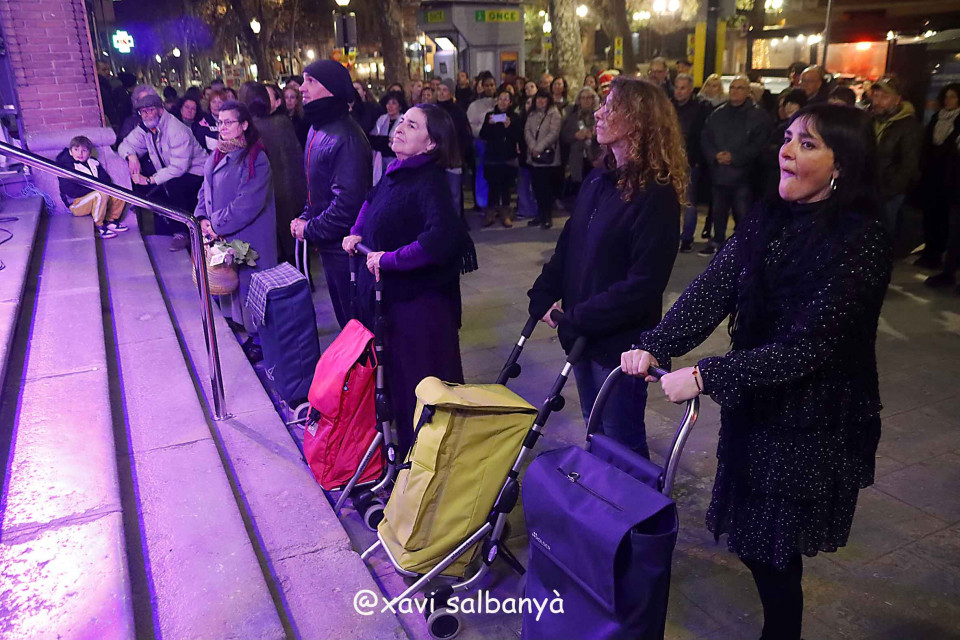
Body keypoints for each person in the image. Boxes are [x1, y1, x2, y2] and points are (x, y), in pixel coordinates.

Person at [621, 103, 893, 640]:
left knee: (771, 548)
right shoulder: (769, 216)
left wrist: (706, 375)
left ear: (842, 164)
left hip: (813, 417)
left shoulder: (862, 240)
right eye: (788, 138)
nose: (787, 151)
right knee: (754, 539)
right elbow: (712, 289)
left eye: (808, 144)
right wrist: (655, 344)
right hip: (758, 400)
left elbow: (810, 347)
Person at [529, 77, 685, 456]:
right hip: (583, 336)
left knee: (621, 443)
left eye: (609, 107)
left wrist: (579, 317)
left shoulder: (656, 194)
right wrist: (545, 291)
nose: (598, 114)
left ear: (637, 120)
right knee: (595, 432)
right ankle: (603, 492)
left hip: (618, 346)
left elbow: (644, 284)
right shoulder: (599, 178)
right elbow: (571, 243)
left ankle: (634, 497)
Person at [342, 104, 471, 456]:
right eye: (401, 121)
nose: (399, 128)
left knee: (421, 389)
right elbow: (371, 202)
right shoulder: (396, 171)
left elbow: (439, 240)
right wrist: (356, 232)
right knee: (398, 387)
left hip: (420, 311)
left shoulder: (431, 182)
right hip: (394, 304)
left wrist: (389, 259)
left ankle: (428, 462)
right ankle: (406, 460)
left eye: (412, 125)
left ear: (431, 144)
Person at [289, 60, 372, 329]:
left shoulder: (346, 137)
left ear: (332, 88)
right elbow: (316, 187)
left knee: (357, 326)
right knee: (346, 322)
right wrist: (305, 216)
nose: (302, 88)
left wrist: (310, 228)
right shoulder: (317, 127)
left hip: (345, 249)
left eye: (310, 81)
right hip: (329, 244)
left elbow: (348, 204)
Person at [195, 101, 278, 353]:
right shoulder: (219, 152)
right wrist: (202, 216)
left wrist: (216, 223)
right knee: (231, 285)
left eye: (229, 122)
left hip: (249, 236)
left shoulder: (256, 158)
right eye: (220, 122)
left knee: (252, 288)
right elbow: (205, 188)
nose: (223, 127)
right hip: (224, 234)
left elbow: (247, 203)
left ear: (243, 125)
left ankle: (261, 341)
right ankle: (244, 330)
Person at [118, 91, 206, 250]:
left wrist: (150, 179)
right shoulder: (145, 128)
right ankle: (170, 228)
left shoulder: (176, 130)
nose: (146, 115)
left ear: (160, 109)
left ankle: (183, 233)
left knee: (171, 185)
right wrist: (131, 156)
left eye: (150, 110)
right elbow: (124, 145)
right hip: (170, 171)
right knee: (153, 188)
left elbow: (179, 168)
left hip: (196, 173)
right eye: (143, 112)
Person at [700, 75, 771, 255]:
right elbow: (706, 138)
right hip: (720, 173)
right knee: (718, 212)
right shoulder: (718, 114)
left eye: (740, 88)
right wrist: (715, 156)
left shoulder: (758, 116)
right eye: (732, 87)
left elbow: (759, 144)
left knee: (742, 213)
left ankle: (743, 246)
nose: (735, 91)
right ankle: (717, 241)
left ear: (748, 92)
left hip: (744, 174)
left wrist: (735, 157)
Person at [238, 82, 308, 265]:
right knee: (295, 254)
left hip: (268, 196)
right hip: (291, 192)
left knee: (275, 256)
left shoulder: (250, 130)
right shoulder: (282, 122)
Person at [914, 83, 960, 272]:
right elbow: (927, 145)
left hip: (950, 178)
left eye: (953, 96)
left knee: (945, 219)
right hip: (932, 176)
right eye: (946, 96)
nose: (948, 100)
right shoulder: (936, 117)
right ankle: (930, 252)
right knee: (930, 216)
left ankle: (941, 255)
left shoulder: (958, 121)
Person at [870, 74, 922, 237]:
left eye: (884, 97)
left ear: (897, 99)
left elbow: (909, 166)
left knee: (884, 233)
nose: (877, 101)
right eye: (875, 96)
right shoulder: (871, 120)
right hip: (869, 190)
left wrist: (889, 191)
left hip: (889, 194)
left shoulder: (908, 127)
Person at [56, 135, 127, 239]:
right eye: (76, 150)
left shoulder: (93, 162)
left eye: (84, 150)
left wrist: (96, 187)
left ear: (89, 153)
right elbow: (71, 191)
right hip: (76, 203)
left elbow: (106, 179)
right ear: (70, 152)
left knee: (120, 192)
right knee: (100, 194)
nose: (80, 153)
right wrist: (96, 187)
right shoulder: (65, 166)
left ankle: (111, 220)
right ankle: (99, 226)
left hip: (93, 197)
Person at [673, 73, 711, 253]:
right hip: (670, 160)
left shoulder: (700, 109)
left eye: (683, 88)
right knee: (670, 201)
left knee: (689, 201)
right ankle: (671, 235)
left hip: (690, 160)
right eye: (677, 87)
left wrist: (697, 160)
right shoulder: (669, 107)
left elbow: (702, 135)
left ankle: (687, 238)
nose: (679, 92)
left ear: (690, 90)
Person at [479, 88, 522, 227]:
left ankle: (505, 214)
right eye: (500, 99)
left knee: (506, 187)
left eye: (506, 99)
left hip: (508, 157)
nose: (503, 102)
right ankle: (490, 213)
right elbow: (483, 135)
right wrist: (489, 125)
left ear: (510, 102)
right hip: (492, 157)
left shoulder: (515, 117)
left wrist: (509, 126)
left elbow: (518, 136)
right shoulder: (490, 115)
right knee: (492, 186)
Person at [524, 90, 563, 229]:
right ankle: (540, 214)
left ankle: (547, 216)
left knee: (547, 189)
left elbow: (554, 133)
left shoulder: (554, 114)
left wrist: (539, 148)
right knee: (537, 188)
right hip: (534, 157)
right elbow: (527, 131)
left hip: (548, 157)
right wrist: (532, 146)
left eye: (543, 99)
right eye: (539, 99)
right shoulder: (531, 114)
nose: (541, 101)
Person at [466, 71, 498, 212]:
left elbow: (504, 119)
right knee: (482, 172)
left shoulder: (499, 102)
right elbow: (471, 125)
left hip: (497, 143)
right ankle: (483, 203)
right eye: (487, 85)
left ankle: (497, 203)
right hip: (481, 142)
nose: (489, 88)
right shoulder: (475, 105)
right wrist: (483, 128)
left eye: (492, 85)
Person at [560, 86, 600, 194]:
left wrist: (594, 136)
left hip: (594, 157)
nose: (586, 100)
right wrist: (575, 135)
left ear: (593, 99)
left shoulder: (599, 116)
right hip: (577, 159)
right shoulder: (572, 117)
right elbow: (563, 136)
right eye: (583, 98)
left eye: (589, 97)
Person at [370, 90, 407, 185]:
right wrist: (387, 140)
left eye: (393, 103)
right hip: (380, 160)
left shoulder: (404, 121)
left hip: (396, 161)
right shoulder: (381, 119)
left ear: (400, 106)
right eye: (388, 103)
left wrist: (384, 141)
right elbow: (374, 140)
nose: (390, 106)